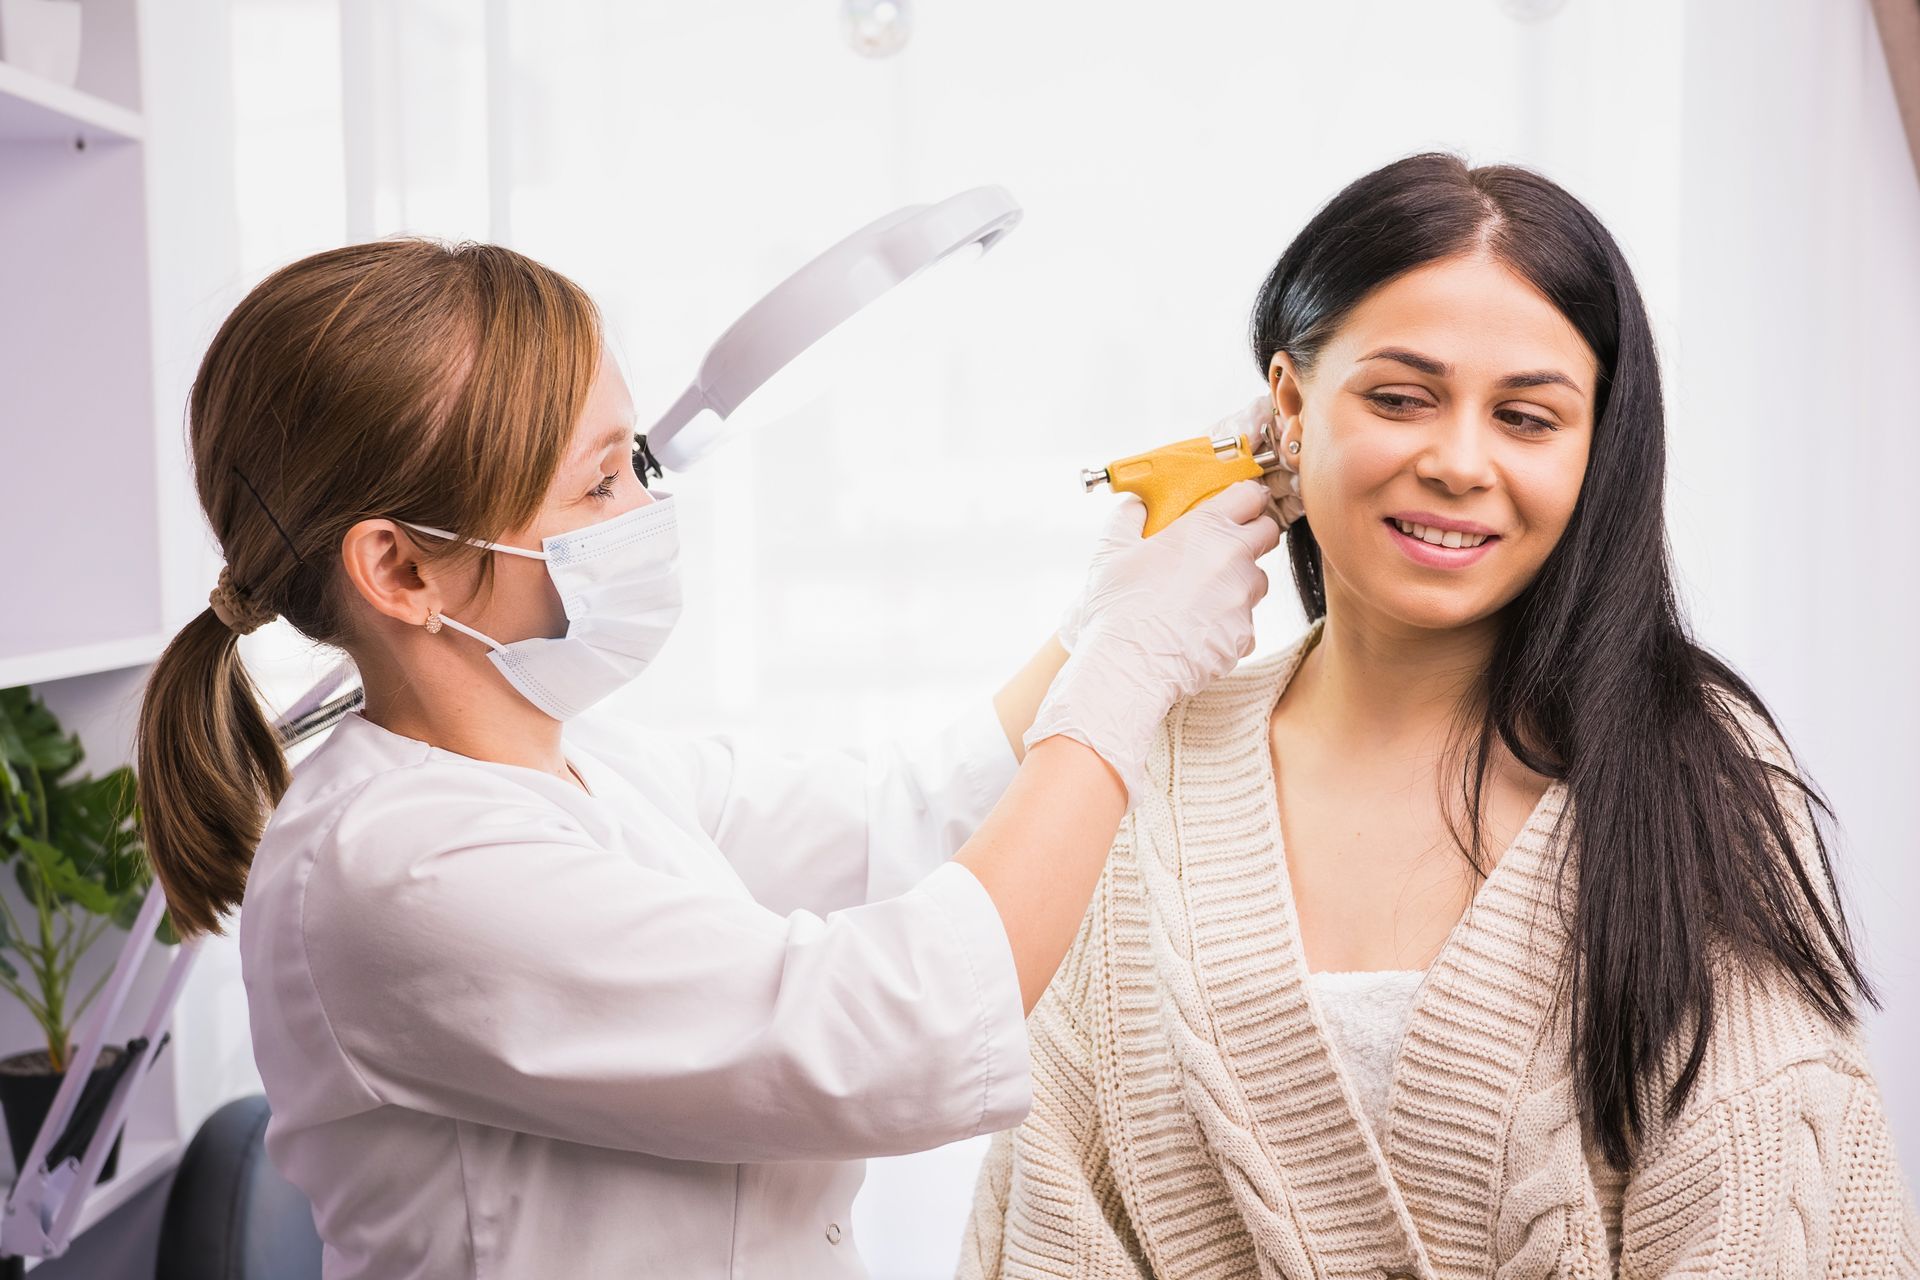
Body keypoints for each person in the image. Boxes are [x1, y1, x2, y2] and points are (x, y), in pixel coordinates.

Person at [129, 237, 1284, 1278]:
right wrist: (1126, 675)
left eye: (634, 455)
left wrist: (1100, 616)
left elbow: (902, 816)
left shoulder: (591, 770)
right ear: (401, 572)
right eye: (599, 482)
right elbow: (890, 1026)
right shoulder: (399, 870)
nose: (650, 502)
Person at [958, 153, 1920, 1278]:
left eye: (1527, 417)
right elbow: (1051, 1218)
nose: (1460, 462)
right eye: (1400, 396)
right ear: (1288, 406)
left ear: (1594, 446)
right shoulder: (1141, 770)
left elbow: (1759, 1220)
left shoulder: (1691, 773)